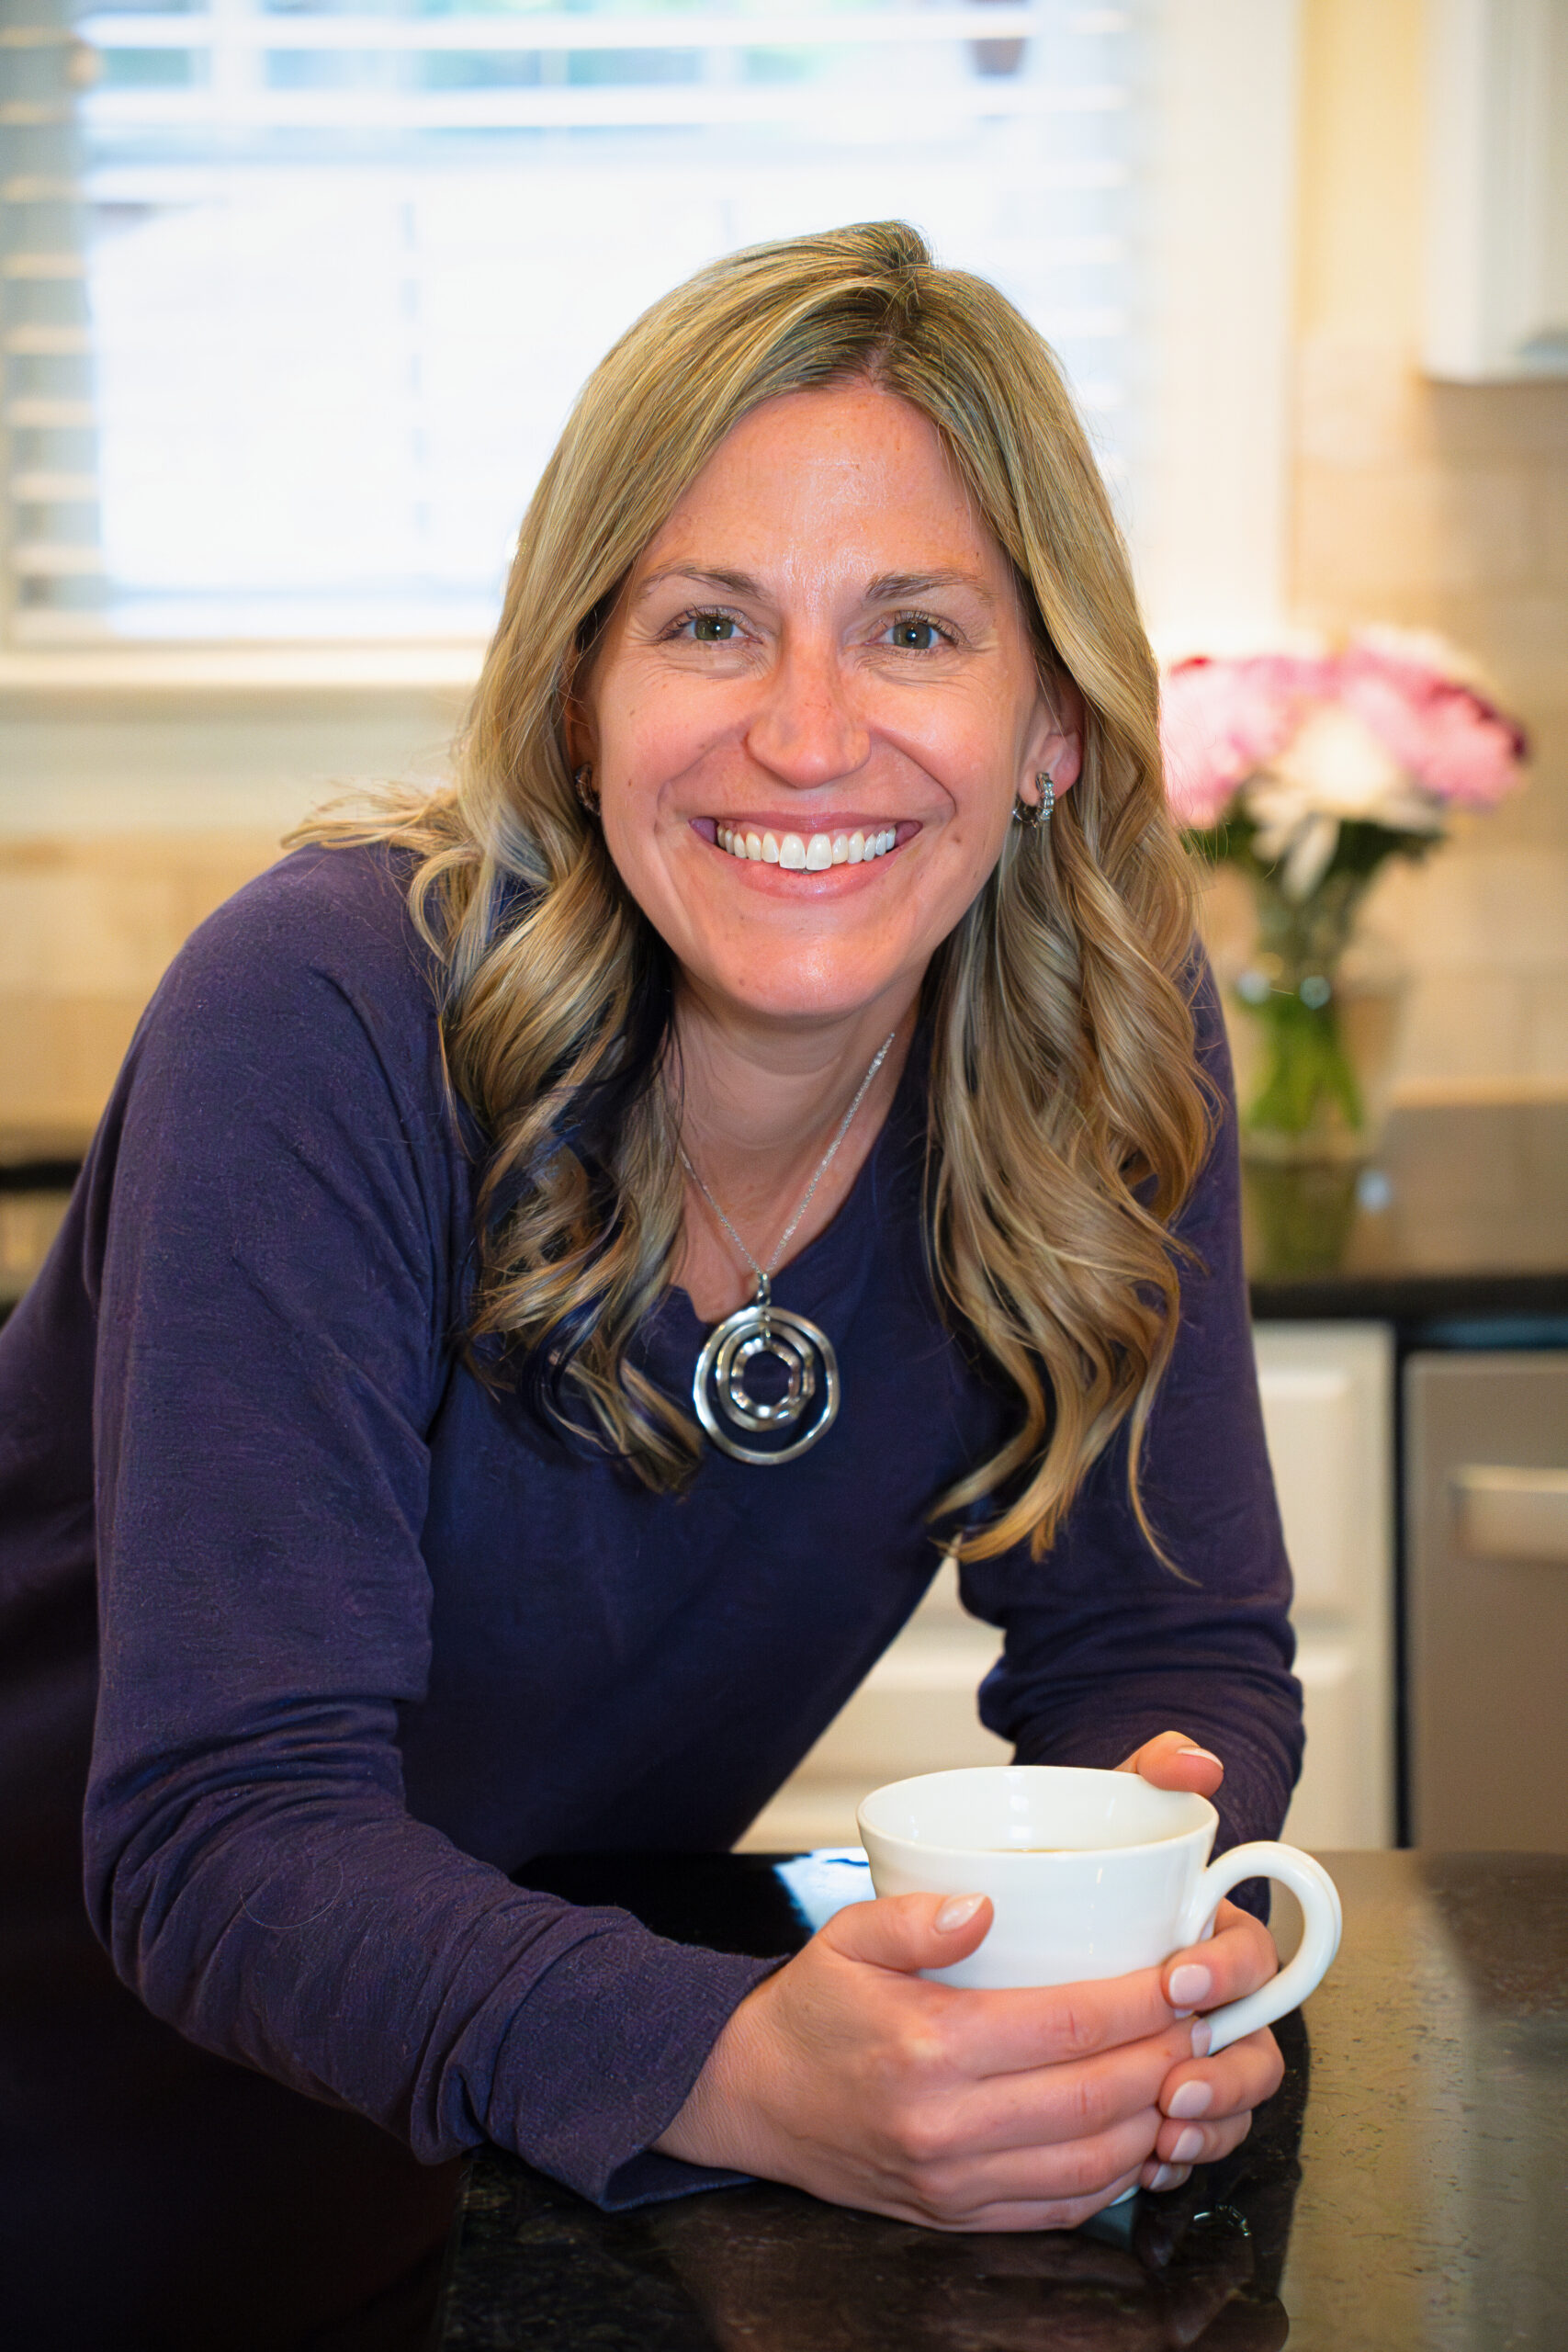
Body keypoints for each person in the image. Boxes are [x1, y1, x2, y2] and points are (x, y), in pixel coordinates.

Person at [0, 221, 1301, 2238]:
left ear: (1049, 724)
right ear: (580, 687)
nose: (801, 732)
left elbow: (1160, 1636)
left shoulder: (1100, 1032)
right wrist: (731, 2056)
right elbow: (223, 1828)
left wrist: (1128, 1968)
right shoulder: (324, 1012)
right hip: (71, 2108)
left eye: (915, 630)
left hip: (502, 2132)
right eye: (708, 622)